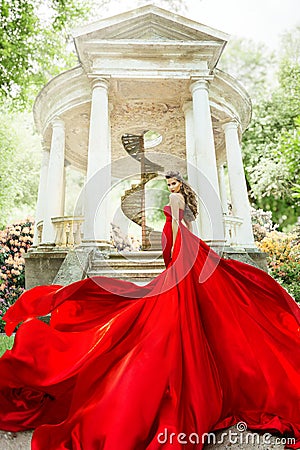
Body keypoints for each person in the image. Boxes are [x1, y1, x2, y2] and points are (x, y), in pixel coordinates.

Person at [0, 171, 299, 450]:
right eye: (168, 184)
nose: (170, 188)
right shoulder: (184, 201)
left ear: (179, 185)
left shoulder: (175, 200)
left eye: (173, 183)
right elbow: (184, 229)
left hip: (182, 250)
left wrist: (175, 256)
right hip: (183, 250)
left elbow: (178, 230)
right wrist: (173, 254)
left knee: (165, 308)